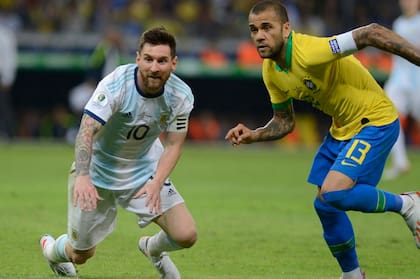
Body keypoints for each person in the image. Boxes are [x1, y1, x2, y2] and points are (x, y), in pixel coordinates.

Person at [224, 1, 420, 279]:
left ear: (286, 29)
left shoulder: (310, 51)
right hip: (341, 129)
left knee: (334, 193)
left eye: (267, 27)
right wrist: (254, 135)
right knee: (325, 205)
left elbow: (371, 32)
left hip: (374, 120)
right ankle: (352, 275)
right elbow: (284, 121)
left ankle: (408, 204)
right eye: (254, 29)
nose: (259, 35)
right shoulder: (271, 70)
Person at [39, 26, 197, 279]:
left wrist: (157, 181)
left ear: (173, 63)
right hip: (98, 172)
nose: (154, 67)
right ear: (137, 59)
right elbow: (86, 131)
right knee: (81, 254)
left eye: (161, 60)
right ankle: (50, 250)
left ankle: (151, 248)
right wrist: (82, 176)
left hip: (144, 171)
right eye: (148, 59)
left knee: (186, 234)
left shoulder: (180, 96)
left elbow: (174, 144)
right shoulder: (116, 84)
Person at [383, 0, 420, 180]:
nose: (408, 3)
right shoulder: (398, 23)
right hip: (399, 79)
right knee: (388, 115)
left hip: (418, 80)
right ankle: (400, 161)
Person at [0, 24, 18, 140]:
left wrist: (7, 78)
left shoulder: (4, 35)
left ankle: (8, 134)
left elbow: (10, 59)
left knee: (3, 106)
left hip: (1, 75)